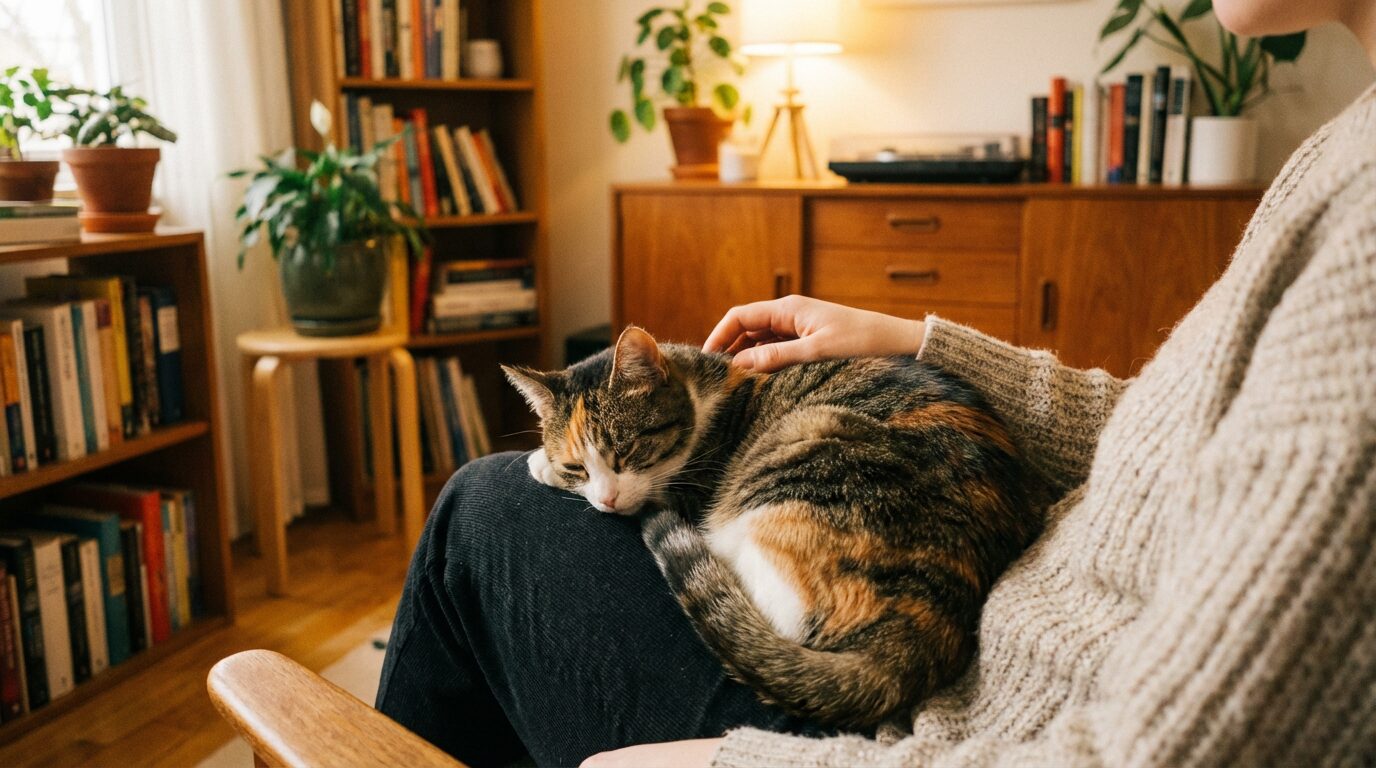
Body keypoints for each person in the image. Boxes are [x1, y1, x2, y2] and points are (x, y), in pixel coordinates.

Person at [376, 0, 1376, 764]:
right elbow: (1184, 430)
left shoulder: (1361, 246)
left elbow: (1172, 748)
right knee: (513, 501)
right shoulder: (1342, 144)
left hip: (923, 724)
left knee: (478, 511)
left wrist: (742, 757)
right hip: (969, 626)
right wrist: (920, 337)